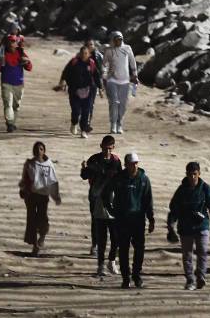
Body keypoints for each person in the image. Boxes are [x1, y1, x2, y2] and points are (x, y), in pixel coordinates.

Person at [167, 161, 210, 290]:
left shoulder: (205, 188)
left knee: (202, 252)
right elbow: (174, 208)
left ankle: (201, 276)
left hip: (202, 226)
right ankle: (190, 280)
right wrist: (171, 225)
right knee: (187, 255)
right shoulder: (181, 190)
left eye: (195, 174)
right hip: (185, 228)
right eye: (190, 174)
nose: (192, 177)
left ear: (199, 173)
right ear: (186, 174)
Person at [104, 150, 154, 289]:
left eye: (136, 163)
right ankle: (126, 278)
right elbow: (106, 193)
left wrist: (151, 218)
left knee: (139, 249)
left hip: (138, 220)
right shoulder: (119, 178)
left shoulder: (144, 179)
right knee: (123, 250)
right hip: (122, 220)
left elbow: (148, 200)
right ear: (126, 164)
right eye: (131, 163)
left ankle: (136, 275)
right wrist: (112, 210)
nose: (134, 166)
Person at [81, 134, 122, 278]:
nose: (107, 151)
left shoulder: (116, 161)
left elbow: (120, 179)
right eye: (105, 148)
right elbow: (84, 175)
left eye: (110, 148)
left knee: (115, 233)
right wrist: (85, 169)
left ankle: (111, 261)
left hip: (112, 200)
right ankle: (95, 247)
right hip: (96, 197)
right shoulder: (94, 159)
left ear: (113, 147)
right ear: (101, 146)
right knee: (98, 225)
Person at [19, 141, 61, 256]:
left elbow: (53, 181)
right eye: (36, 149)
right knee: (31, 220)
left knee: (43, 219)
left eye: (41, 149)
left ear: (44, 151)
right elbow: (24, 179)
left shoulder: (49, 164)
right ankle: (35, 246)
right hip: (31, 196)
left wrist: (56, 196)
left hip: (43, 196)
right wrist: (23, 189)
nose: (38, 151)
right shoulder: (29, 164)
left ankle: (41, 238)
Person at [57, 42, 101, 138]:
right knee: (76, 110)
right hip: (74, 90)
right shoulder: (74, 61)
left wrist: (100, 87)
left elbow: (96, 76)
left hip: (88, 90)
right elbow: (65, 72)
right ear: (80, 54)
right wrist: (62, 81)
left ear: (89, 54)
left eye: (86, 53)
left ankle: (84, 130)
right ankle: (74, 122)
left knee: (86, 111)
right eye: (82, 53)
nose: (84, 55)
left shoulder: (91, 63)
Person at [0, 29, 32, 132]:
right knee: (7, 104)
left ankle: (12, 123)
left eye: (14, 42)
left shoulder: (21, 54)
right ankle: (10, 123)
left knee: (16, 105)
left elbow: (29, 68)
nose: (12, 44)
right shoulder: (2, 55)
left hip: (19, 84)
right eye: (10, 42)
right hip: (6, 83)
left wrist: (27, 62)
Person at [102, 31, 137, 134]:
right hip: (112, 80)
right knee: (113, 102)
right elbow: (104, 65)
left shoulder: (127, 48)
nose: (119, 41)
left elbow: (132, 62)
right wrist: (104, 76)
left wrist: (135, 75)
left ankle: (119, 124)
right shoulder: (108, 50)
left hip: (125, 80)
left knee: (123, 104)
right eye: (116, 39)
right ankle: (113, 124)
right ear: (112, 40)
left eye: (120, 39)